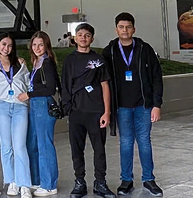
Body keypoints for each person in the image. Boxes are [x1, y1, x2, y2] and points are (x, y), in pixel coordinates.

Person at [101, 13, 164, 197]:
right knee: (126, 143)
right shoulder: (109, 51)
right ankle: (126, 180)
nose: (125, 30)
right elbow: (102, 79)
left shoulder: (145, 49)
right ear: (116, 30)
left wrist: (157, 104)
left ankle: (148, 179)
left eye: (128, 27)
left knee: (144, 141)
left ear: (134, 29)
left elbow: (157, 77)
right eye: (121, 27)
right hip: (121, 107)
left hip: (143, 105)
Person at [61, 23, 115, 198]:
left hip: (96, 112)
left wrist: (106, 112)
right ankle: (79, 182)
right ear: (75, 38)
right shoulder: (70, 60)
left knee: (99, 149)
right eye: (80, 35)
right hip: (76, 112)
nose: (83, 38)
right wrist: (67, 108)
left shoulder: (98, 60)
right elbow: (65, 86)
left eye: (87, 35)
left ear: (92, 38)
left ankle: (100, 182)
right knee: (77, 150)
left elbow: (105, 85)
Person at [0, 32, 32, 198]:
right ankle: (11, 181)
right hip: (2, 107)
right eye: (3, 44)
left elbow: (28, 82)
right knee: (6, 147)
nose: (6, 48)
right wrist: (0, 98)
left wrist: (26, 95)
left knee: (20, 146)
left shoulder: (20, 63)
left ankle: (24, 184)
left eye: (10, 45)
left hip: (20, 107)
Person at [19, 31, 59, 197]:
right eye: (34, 45)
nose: (37, 48)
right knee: (33, 143)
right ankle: (37, 180)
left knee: (44, 145)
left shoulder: (47, 63)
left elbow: (50, 88)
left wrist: (28, 95)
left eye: (40, 45)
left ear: (46, 46)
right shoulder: (36, 62)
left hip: (43, 104)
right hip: (35, 106)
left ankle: (49, 185)